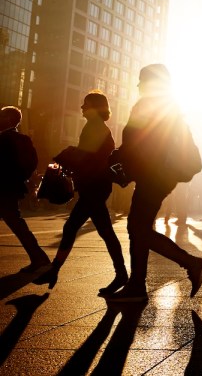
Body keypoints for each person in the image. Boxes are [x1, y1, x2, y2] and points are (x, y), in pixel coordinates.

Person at [106, 64, 202, 303]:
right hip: (161, 176)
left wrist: (119, 159)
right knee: (138, 227)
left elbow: (137, 143)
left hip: (153, 176)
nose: (139, 85)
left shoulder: (147, 105)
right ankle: (137, 285)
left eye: (142, 80)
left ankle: (192, 263)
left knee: (138, 228)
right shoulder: (170, 107)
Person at [33, 92, 128, 294]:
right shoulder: (96, 127)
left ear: (95, 108)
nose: (82, 108)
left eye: (86, 104)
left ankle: (120, 274)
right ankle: (56, 269)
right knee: (91, 230)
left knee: (84, 228)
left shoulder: (95, 128)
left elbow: (87, 156)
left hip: (94, 186)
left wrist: (67, 155)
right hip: (94, 186)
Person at [0, 106, 50, 273]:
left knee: (16, 222)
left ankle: (39, 257)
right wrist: (21, 177)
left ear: (7, 119)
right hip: (12, 187)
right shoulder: (23, 139)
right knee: (16, 222)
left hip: (3, 188)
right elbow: (33, 162)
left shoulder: (4, 139)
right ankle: (38, 257)